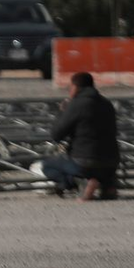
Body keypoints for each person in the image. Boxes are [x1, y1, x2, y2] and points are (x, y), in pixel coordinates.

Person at [38, 71, 120, 200]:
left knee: (48, 165)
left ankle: (81, 182)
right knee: (100, 167)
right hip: (111, 163)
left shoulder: (76, 104)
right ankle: (107, 185)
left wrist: (62, 112)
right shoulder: (106, 103)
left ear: (75, 87)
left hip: (84, 162)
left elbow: (56, 134)